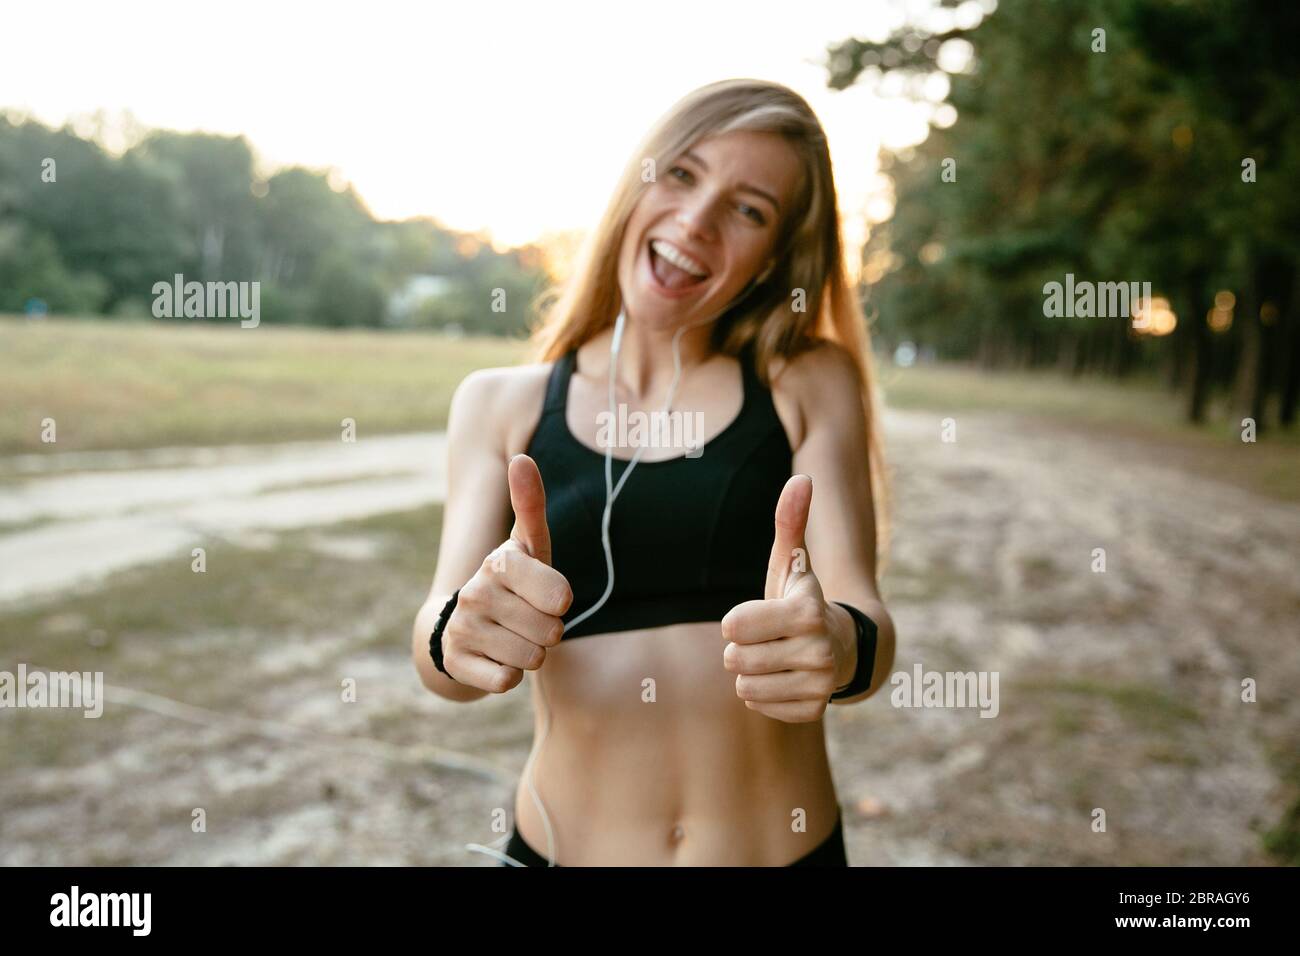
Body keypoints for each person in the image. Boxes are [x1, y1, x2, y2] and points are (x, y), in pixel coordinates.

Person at [412, 78, 895, 866]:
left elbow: (869, 631)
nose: (697, 221)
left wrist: (836, 643)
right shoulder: (497, 404)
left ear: (777, 258)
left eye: (749, 209)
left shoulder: (807, 381)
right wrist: (460, 631)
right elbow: (439, 656)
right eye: (682, 174)